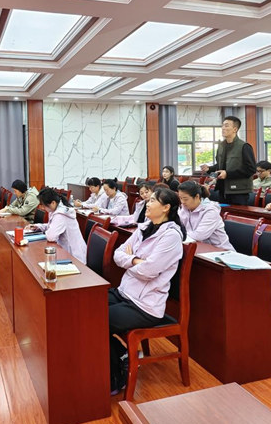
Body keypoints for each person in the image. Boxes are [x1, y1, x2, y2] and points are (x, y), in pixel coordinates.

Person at [108, 187, 185, 394]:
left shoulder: (171, 237)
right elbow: (117, 255)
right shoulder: (143, 228)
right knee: (86, 307)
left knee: (96, 319)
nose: (147, 204)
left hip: (145, 305)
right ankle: (122, 354)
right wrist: (136, 260)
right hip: (125, 292)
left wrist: (131, 262)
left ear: (166, 208)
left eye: (152, 200)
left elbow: (149, 271)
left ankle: (117, 376)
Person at [200, 116, 256, 205]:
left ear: (235, 129)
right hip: (222, 189)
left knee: (237, 213)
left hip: (238, 191)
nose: (223, 128)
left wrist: (228, 174)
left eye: (226, 126)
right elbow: (220, 166)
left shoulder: (244, 146)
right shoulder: (221, 146)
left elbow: (251, 169)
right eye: (222, 126)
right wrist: (209, 169)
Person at [27, 187, 87, 263]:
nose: (43, 208)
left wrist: (48, 231)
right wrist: (38, 226)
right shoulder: (55, 210)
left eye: (44, 205)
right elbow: (51, 226)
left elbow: (51, 237)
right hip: (65, 251)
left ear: (53, 203)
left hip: (74, 257)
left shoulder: (60, 215)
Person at [177, 181, 234, 251]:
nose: (182, 202)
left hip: (220, 250)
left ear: (197, 197)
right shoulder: (184, 208)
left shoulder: (210, 211)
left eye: (185, 199)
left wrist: (177, 235)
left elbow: (199, 236)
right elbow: (176, 225)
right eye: (180, 198)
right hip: (197, 248)